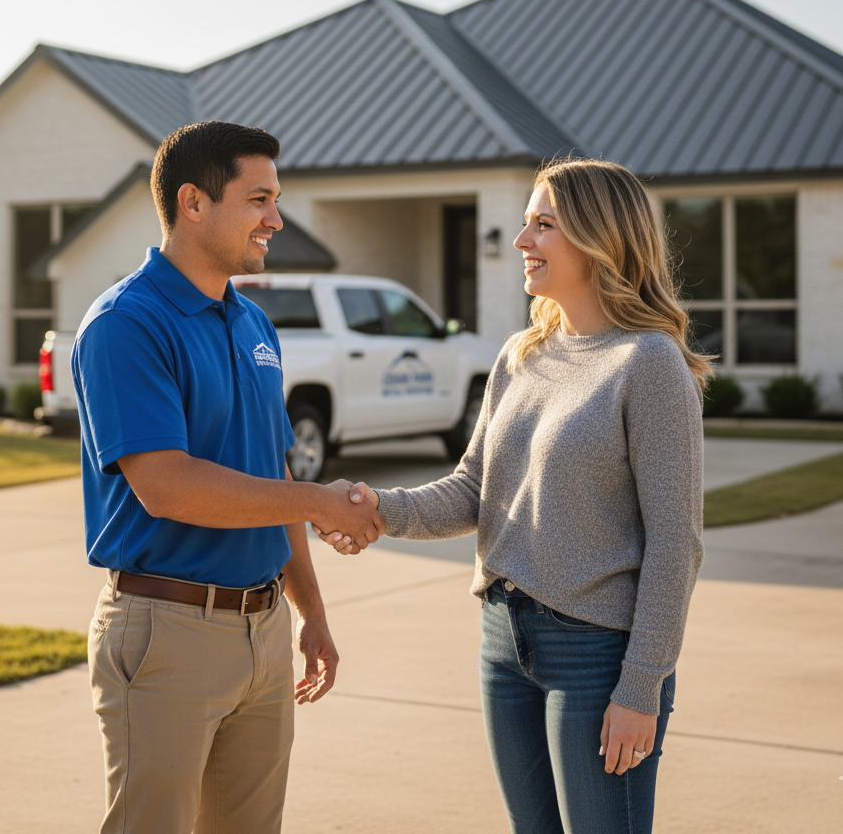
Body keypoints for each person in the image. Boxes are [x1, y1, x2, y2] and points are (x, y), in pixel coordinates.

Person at [316, 158, 710, 834]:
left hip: (595, 654)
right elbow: (475, 488)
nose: (522, 241)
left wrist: (641, 686)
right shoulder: (522, 355)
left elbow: (676, 542)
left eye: (543, 225)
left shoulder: (648, 362)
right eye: (525, 224)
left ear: (599, 237)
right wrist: (376, 509)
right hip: (503, 639)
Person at [72, 121, 382, 834]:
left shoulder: (254, 324)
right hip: (166, 632)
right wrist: (321, 501)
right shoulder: (126, 324)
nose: (275, 218)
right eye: (259, 199)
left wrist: (311, 613)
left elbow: (268, 475)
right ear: (193, 202)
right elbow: (167, 485)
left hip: (264, 630)